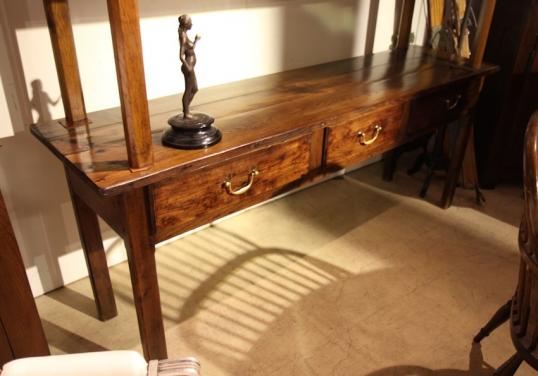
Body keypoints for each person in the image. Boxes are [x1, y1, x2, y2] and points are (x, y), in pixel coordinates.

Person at [178, 14, 200, 119]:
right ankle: (186, 113)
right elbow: (181, 55)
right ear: (186, 24)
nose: (192, 24)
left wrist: (195, 40)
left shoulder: (185, 34)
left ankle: (186, 110)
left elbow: (190, 48)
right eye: (190, 22)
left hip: (191, 67)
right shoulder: (182, 36)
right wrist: (188, 67)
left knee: (195, 89)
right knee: (188, 90)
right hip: (188, 67)